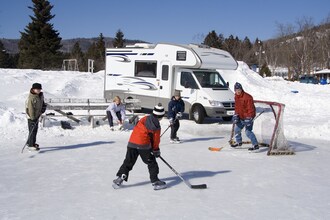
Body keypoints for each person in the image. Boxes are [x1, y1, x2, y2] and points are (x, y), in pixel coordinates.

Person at [112, 104, 166, 190]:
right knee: (151, 163)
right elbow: (155, 139)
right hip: (143, 145)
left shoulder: (144, 118)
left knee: (128, 161)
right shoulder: (156, 125)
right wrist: (156, 150)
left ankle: (120, 178)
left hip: (132, 143)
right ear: (161, 116)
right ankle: (155, 181)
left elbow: (141, 130)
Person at [231, 82, 259, 151]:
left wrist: (249, 117)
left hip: (248, 117)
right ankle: (239, 142)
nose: (238, 91)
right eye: (236, 90)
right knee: (237, 130)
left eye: (239, 89)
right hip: (241, 117)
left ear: (241, 89)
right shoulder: (236, 97)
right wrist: (236, 115)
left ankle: (255, 145)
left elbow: (251, 109)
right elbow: (237, 107)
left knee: (248, 132)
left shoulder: (248, 97)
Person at [25, 83, 47, 151]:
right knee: (32, 131)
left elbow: (43, 103)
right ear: (33, 89)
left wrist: (43, 109)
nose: (38, 90)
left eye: (39, 89)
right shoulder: (31, 97)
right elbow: (30, 109)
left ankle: (30, 143)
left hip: (37, 116)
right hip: (31, 117)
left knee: (34, 130)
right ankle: (31, 145)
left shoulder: (40, 95)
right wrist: (33, 118)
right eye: (37, 89)